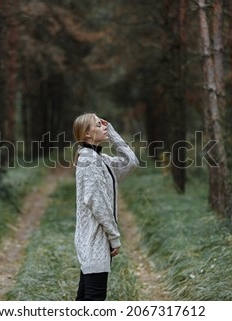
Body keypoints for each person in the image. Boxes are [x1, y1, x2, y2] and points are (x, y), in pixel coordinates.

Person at [72, 112, 139, 301]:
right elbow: (98, 203)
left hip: (95, 239)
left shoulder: (101, 160)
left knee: (86, 297)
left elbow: (131, 161)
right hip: (94, 239)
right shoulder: (90, 161)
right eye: (98, 125)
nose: (103, 127)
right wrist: (114, 237)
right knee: (94, 298)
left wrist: (111, 131)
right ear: (87, 134)